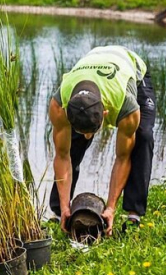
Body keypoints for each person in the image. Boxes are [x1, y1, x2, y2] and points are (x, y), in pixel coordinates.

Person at [49, 46, 156, 236]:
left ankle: (134, 214)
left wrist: (111, 207)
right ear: (68, 114)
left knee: (144, 136)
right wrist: (66, 206)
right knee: (71, 145)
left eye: (93, 131)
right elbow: (62, 156)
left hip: (130, 69)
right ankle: (60, 212)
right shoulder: (59, 105)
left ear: (105, 114)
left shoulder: (125, 104)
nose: (89, 137)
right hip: (94, 60)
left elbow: (123, 158)